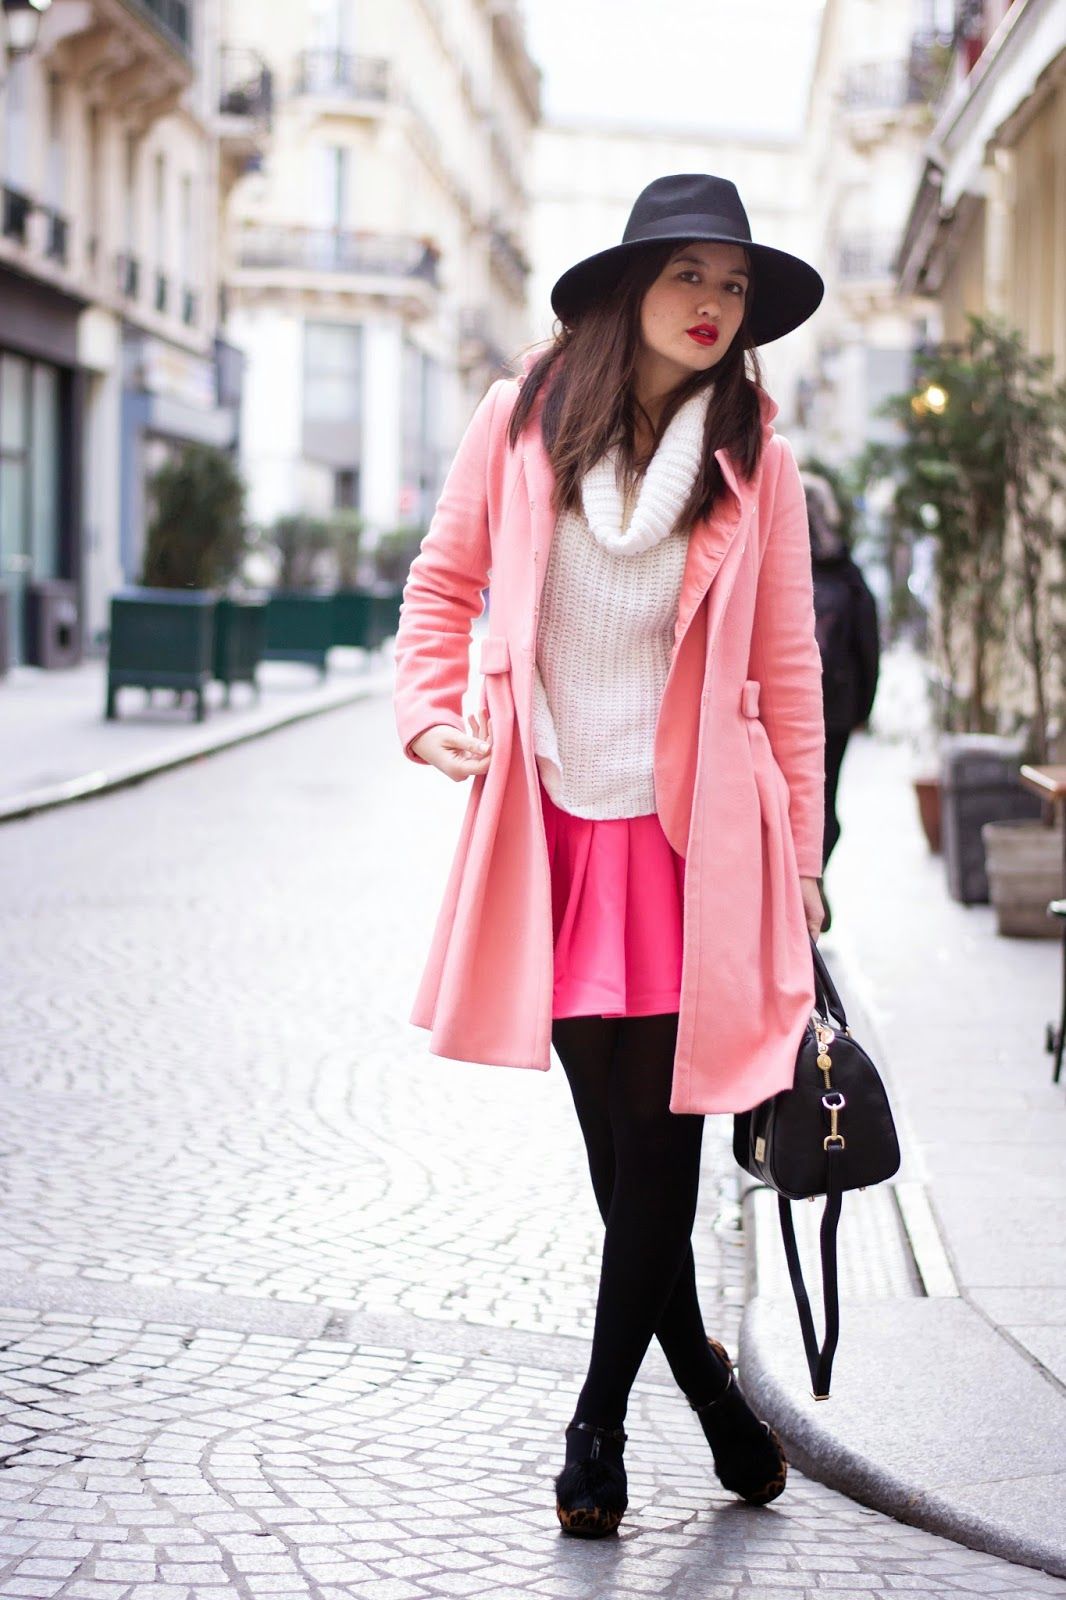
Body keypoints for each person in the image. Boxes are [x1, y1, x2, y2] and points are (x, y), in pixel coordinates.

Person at [393, 174, 826, 1539]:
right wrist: (429, 712)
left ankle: (594, 1430)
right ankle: (707, 1389)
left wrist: (804, 857)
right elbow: (442, 582)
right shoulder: (522, 416)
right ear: (632, 283)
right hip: (554, 832)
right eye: (690, 275)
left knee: (663, 1148)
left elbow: (788, 665)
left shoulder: (754, 454)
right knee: (620, 1158)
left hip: (701, 843)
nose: (713, 305)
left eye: (733, 287)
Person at [801, 470, 880, 909]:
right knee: (824, 800)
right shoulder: (847, 572)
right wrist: (863, 708)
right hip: (837, 708)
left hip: (781, 710)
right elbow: (869, 643)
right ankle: (814, 878)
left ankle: (797, 886)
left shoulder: (774, 560)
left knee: (787, 801)